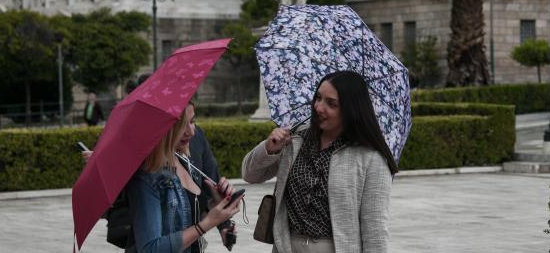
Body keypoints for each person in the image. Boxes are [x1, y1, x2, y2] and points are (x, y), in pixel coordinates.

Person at [242, 70, 399, 253]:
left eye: (331, 104)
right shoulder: (295, 140)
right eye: (318, 98)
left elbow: (375, 229)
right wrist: (269, 149)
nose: (319, 107)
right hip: (286, 247)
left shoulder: (370, 158)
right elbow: (250, 175)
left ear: (350, 109)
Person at [126, 102, 241, 252]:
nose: (191, 132)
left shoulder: (182, 159)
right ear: (162, 127)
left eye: (192, 121)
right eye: (180, 125)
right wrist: (208, 223)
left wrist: (216, 206)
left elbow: (183, 218)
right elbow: (150, 249)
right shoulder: (147, 176)